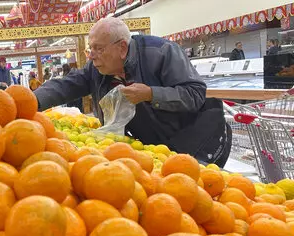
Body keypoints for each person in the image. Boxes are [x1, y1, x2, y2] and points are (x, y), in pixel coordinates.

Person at [34, 17, 231, 167]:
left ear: (121, 48)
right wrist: (31, 101)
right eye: (90, 49)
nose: (92, 56)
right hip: (154, 153)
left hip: (194, 142)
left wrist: (151, 94)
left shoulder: (162, 52)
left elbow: (195, 93)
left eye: (99, 49)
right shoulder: (97, 68)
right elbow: (66, 85)